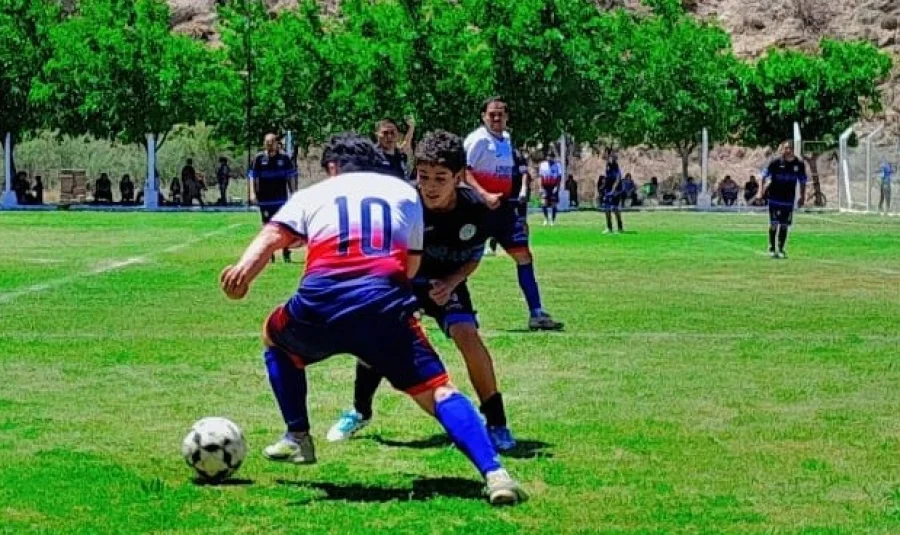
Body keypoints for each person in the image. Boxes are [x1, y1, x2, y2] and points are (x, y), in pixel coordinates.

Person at [220, 132, 526, 506]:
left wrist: (242, 273)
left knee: (275, 337)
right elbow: (411, 266)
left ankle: (298, 435)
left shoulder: (314, 194)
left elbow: (273, 235)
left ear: (333, 167)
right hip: (384, 302)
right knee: (438, 391)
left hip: (321, 302)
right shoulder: (404, 194)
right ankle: (496, 474)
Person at [326, 130, 517, 451]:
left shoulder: (476, 210)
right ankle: (359, 411)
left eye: (440, 178)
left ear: (458, 176)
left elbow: (474, 255)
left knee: (468, 336)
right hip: (404, 281)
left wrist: (452, 282)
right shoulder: (402, 202)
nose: (430, 186)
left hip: (447, 283)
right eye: (423, 176)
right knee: (378, 338)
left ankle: (497, 423)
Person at [463, 97, 563, 331]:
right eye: (492, 114)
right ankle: (459, 312)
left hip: (504, 211)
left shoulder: (506, 139)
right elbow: (463, 171)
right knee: (464, 261)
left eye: (501, 114)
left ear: (507, 117)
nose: (496, 118)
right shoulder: (478, 140)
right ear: (483, 117)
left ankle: (536, 313)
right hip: (478, 210)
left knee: (524, 256)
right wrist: (484, 194)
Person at [250, 133, 298, 263]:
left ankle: (286, 252)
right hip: (265, 199)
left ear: (277, 143)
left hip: (281, 198)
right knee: (267, 226)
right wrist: (253, 193)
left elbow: (290, 177)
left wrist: (294, 193)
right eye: (267, 142)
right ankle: (269, 253)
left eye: (271, 142)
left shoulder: (284, 158)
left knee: (284, 226)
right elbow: (253, 177)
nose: (269, 145)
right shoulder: (259, 158)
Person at [759, 141, 807, 259]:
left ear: (793, 149)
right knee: (774, 224)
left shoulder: (799, 164)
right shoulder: (775, 162)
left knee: (784, 225)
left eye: (790, 148)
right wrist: (760, 191)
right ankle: (771, 247)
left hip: (788, 200)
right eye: (786, 148)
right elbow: (763, 176)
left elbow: (802, 181)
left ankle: (781, 249)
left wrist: (802, 196)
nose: (788, 150)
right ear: (783, 149)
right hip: (774, 198)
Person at [375, 116, 415, 181]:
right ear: (377, 135)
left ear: (398, 134)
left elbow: (406, 143)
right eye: (385, 133)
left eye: (392, 132)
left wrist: (411, 127)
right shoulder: (372, 156)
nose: (389, 136)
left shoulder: (401, 155)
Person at [538, 150, 562, 226]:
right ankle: (546, 219)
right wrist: (540, 187)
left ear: (553, 157)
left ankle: (552, 220)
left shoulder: (557, 165)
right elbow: (540, 176)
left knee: (553, 204)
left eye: (551, 156)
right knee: (543, 203)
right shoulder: (542, 165)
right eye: (548, 156)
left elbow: (559, 177)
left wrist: (557, 187)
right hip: (545, 186)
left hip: (553, 186)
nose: (549, 158)